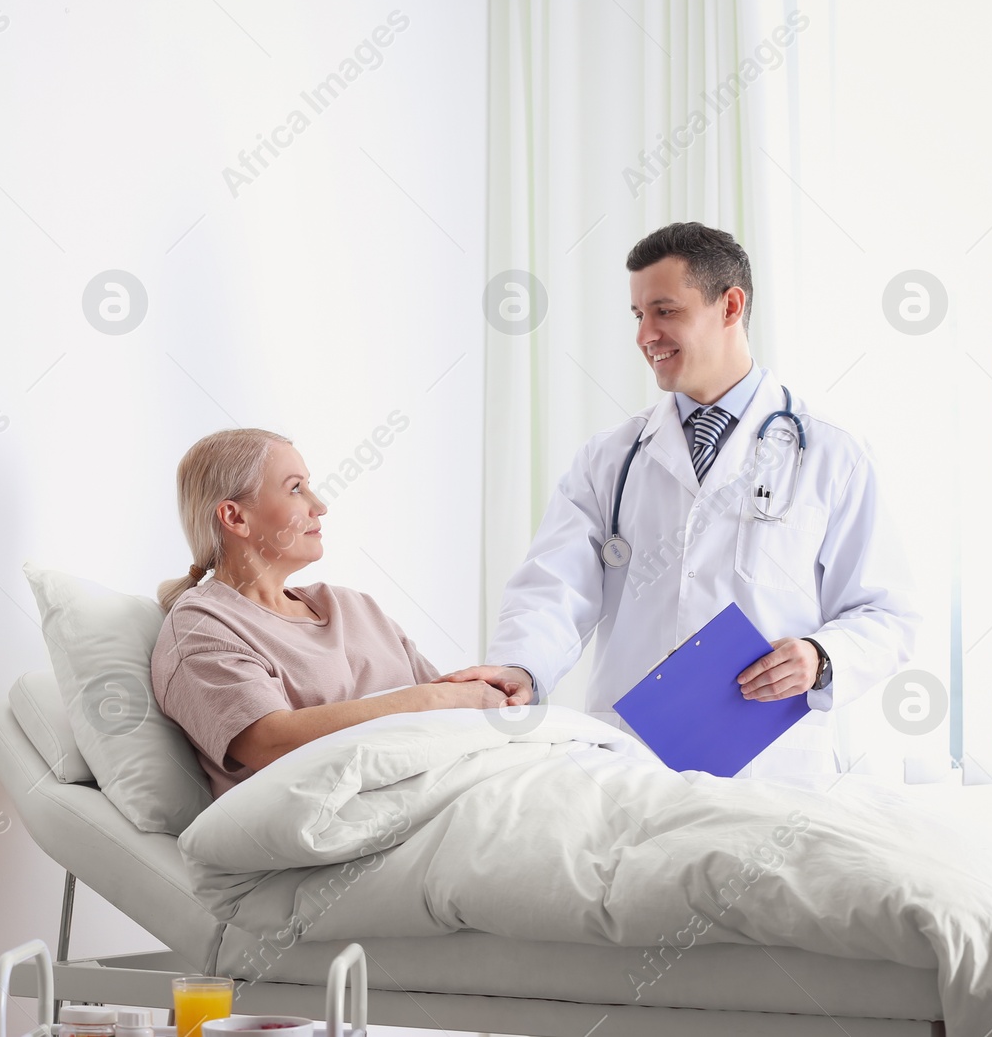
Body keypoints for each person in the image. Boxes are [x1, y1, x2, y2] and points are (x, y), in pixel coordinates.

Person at [443, 222, 919, 779]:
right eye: (638, 315)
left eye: (665, 311)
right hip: (630, 760)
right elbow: (553, 587)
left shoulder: (833, 456)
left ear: (730, 305)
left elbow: (886, 612)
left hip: (771, 768)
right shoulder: (610, 459)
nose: (646, 334)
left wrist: (821, 657)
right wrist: (521, 667)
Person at [151, 428, 510, 797]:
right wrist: (432, 700)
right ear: (235, 517)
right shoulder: (202, 627)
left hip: (465, 784)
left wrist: (484, 690)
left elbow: (452, 715)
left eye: (310, 485)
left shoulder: (355, 607)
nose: (319, 505)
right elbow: (269, 743)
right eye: (295, 488)